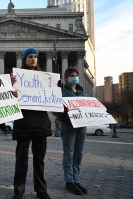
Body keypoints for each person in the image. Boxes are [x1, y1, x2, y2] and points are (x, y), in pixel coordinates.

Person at [12, 48, 52, 199]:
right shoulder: (17, 78)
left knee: (39, 161)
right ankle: (18, 191)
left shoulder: (45, 79)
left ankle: (41, 190)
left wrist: (56, 87)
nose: (33, 59)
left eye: (35, 57)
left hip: (41, 124)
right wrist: (11, 89)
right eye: (30, 56)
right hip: (23, 123)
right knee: (21, 161)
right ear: (24, 59)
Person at [56, 67, 89, 195]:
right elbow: (55, 108)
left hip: (82, 125)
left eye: (76, 75)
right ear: (66, 78)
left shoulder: (82, 92)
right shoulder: (61, 91)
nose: (74, 77)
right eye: (71, 76)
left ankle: (76, 179)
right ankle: (69, 181)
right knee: (69, 153)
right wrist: (62, 112)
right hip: (68, 125)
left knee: (78, 153)